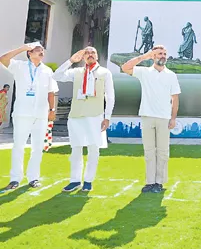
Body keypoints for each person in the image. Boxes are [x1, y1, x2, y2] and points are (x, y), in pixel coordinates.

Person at [53, 47, 115, 192]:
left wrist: (107, 117)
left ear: (97, 56)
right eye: (87, 53)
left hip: (95, 115)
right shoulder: (76, 72)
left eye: (93, 52)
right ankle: (75, 180)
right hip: (76, 115)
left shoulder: (105, 73)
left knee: (94, 149)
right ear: (83, 57)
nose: (90, 55)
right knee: (76, 149)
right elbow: (57, 76)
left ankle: (88, 180)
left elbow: (110, 96)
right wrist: (70, 61)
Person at [122, 45, 181, 193]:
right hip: (147, 116)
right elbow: (125, 67)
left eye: (164, 54)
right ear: (153, 56)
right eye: (159, 53)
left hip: (164, 118)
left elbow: (175, 98)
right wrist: (143, 57)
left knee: (162, 152)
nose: (163, 56)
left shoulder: (171, 75)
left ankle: (159, 182)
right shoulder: (144, 72)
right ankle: (149, 182)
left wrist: (173, 118)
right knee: (149, 151)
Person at [0, 42, 58, 190]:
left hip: (41, 114)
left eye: (42, 50)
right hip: (22, 113)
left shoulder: (47, 71)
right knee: (19, 146)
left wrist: (52, 109)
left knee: (37, 147)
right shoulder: (20, 66)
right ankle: (15, 179)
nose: (41, 52)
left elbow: (51, 92)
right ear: (29, 53)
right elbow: (3, 59)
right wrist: (22, 48)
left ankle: (33, 178)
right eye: (37, 50)